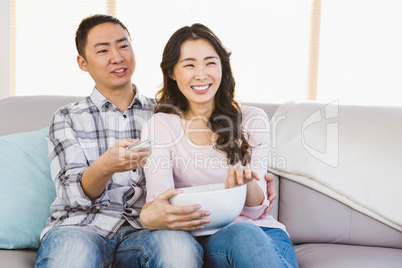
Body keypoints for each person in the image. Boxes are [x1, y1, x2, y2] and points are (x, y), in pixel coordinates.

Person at [34, 14, 203, 268]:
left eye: (123, 45)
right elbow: (70, 193)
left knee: (178, 249)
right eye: (103, 50)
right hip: (81, 227)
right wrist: (105, 166)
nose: (117, 56)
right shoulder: (66, 118)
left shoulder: (165, 114)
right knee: (72, 256)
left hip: (146, 229)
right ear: (83, 63)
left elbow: (192, 172)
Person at [139, 23, 298, 267]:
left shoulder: (253, 119)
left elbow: (257, 211)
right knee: (243, 234)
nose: (201, 74)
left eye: (210, 62)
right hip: (206, 239)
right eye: (189, 64)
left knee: (248, 233)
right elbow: (162, 202)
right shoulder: (160, 125)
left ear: (223, 66)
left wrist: (247, 184)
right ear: (172, 72)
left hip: (264, 234)